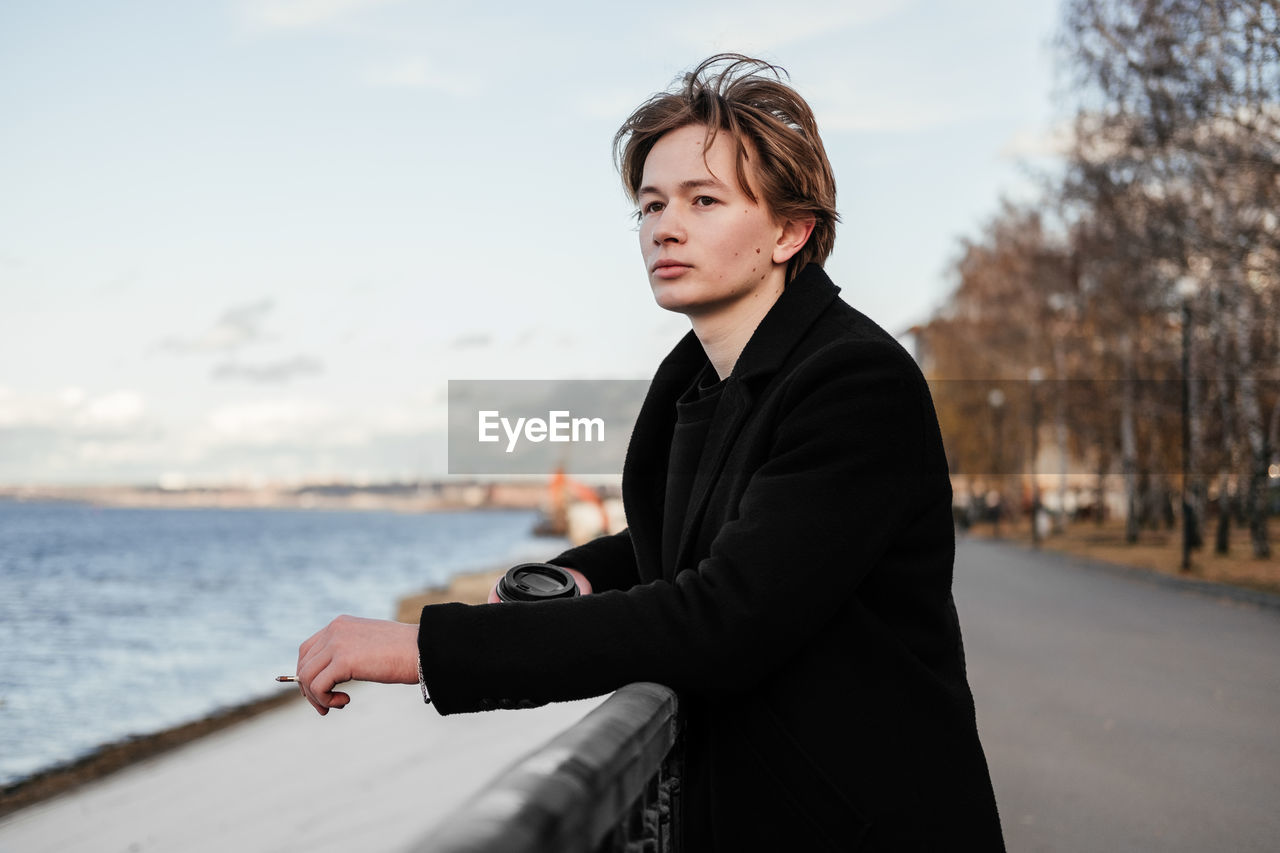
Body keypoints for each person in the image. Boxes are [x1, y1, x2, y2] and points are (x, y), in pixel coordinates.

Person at [295, 54, 1005, 851]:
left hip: (862, 822)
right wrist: (584, 572)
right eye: (652, 204)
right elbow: (694, 534)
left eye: (705, 201)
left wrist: (424, 645)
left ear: (790, 230)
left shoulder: (855, 382)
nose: (665, 225)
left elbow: (725, 615)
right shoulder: (695, 380)